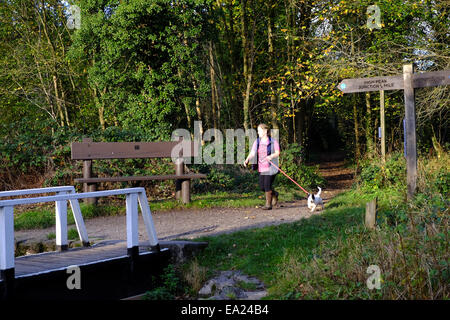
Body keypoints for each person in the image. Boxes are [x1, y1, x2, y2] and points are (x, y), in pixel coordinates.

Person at [244, 124, 280, 210]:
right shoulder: (257, 141)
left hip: (271, 167)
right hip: (261, 167)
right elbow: (252, 153)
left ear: (265, 131)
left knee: (267, 185)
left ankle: (268, 204)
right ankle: (274, 194)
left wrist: (271, 156)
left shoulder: (273, 141)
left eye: (259, 130)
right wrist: (247, 159)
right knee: (262, 187)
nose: (258, 132)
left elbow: (277, 152)